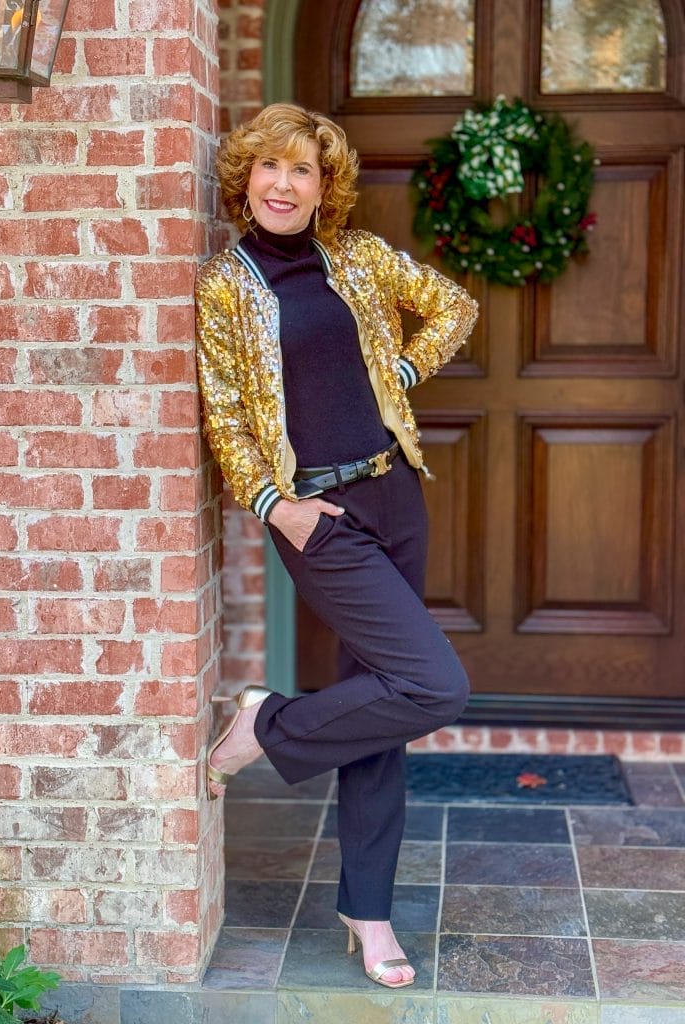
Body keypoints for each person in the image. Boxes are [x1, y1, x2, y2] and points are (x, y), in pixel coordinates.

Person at [195, 103, 478, 989]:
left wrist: (400, 368)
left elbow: (454, 307)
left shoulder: (355, 258)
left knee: (381, 706)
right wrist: (279, 507)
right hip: (320, 520)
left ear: (326, 186)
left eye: (303, 171)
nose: (284, 185)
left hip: (394, 493)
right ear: (247, 180)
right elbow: (227, 419)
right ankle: (266, 726)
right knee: (433, 685)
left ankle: (368, 909)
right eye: (269, 169)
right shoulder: (225, 284)